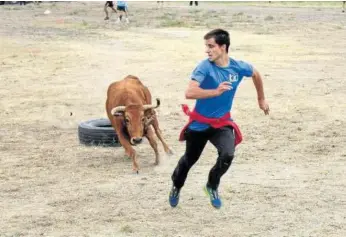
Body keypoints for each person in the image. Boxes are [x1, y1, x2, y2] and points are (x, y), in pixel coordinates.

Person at [169, 29, 270, 209]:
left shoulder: (237, 67)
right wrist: (215, 92)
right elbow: (189, 92)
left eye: (211, 46)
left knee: (228, 154)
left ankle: (211, 185)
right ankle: (176, 185)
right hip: (199, 124)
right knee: (189, 159)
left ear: (223, 47)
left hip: (222, 123)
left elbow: (255, 74)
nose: (207, 51)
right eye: (206, 46)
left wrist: (261, 98)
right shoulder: (204, 67)